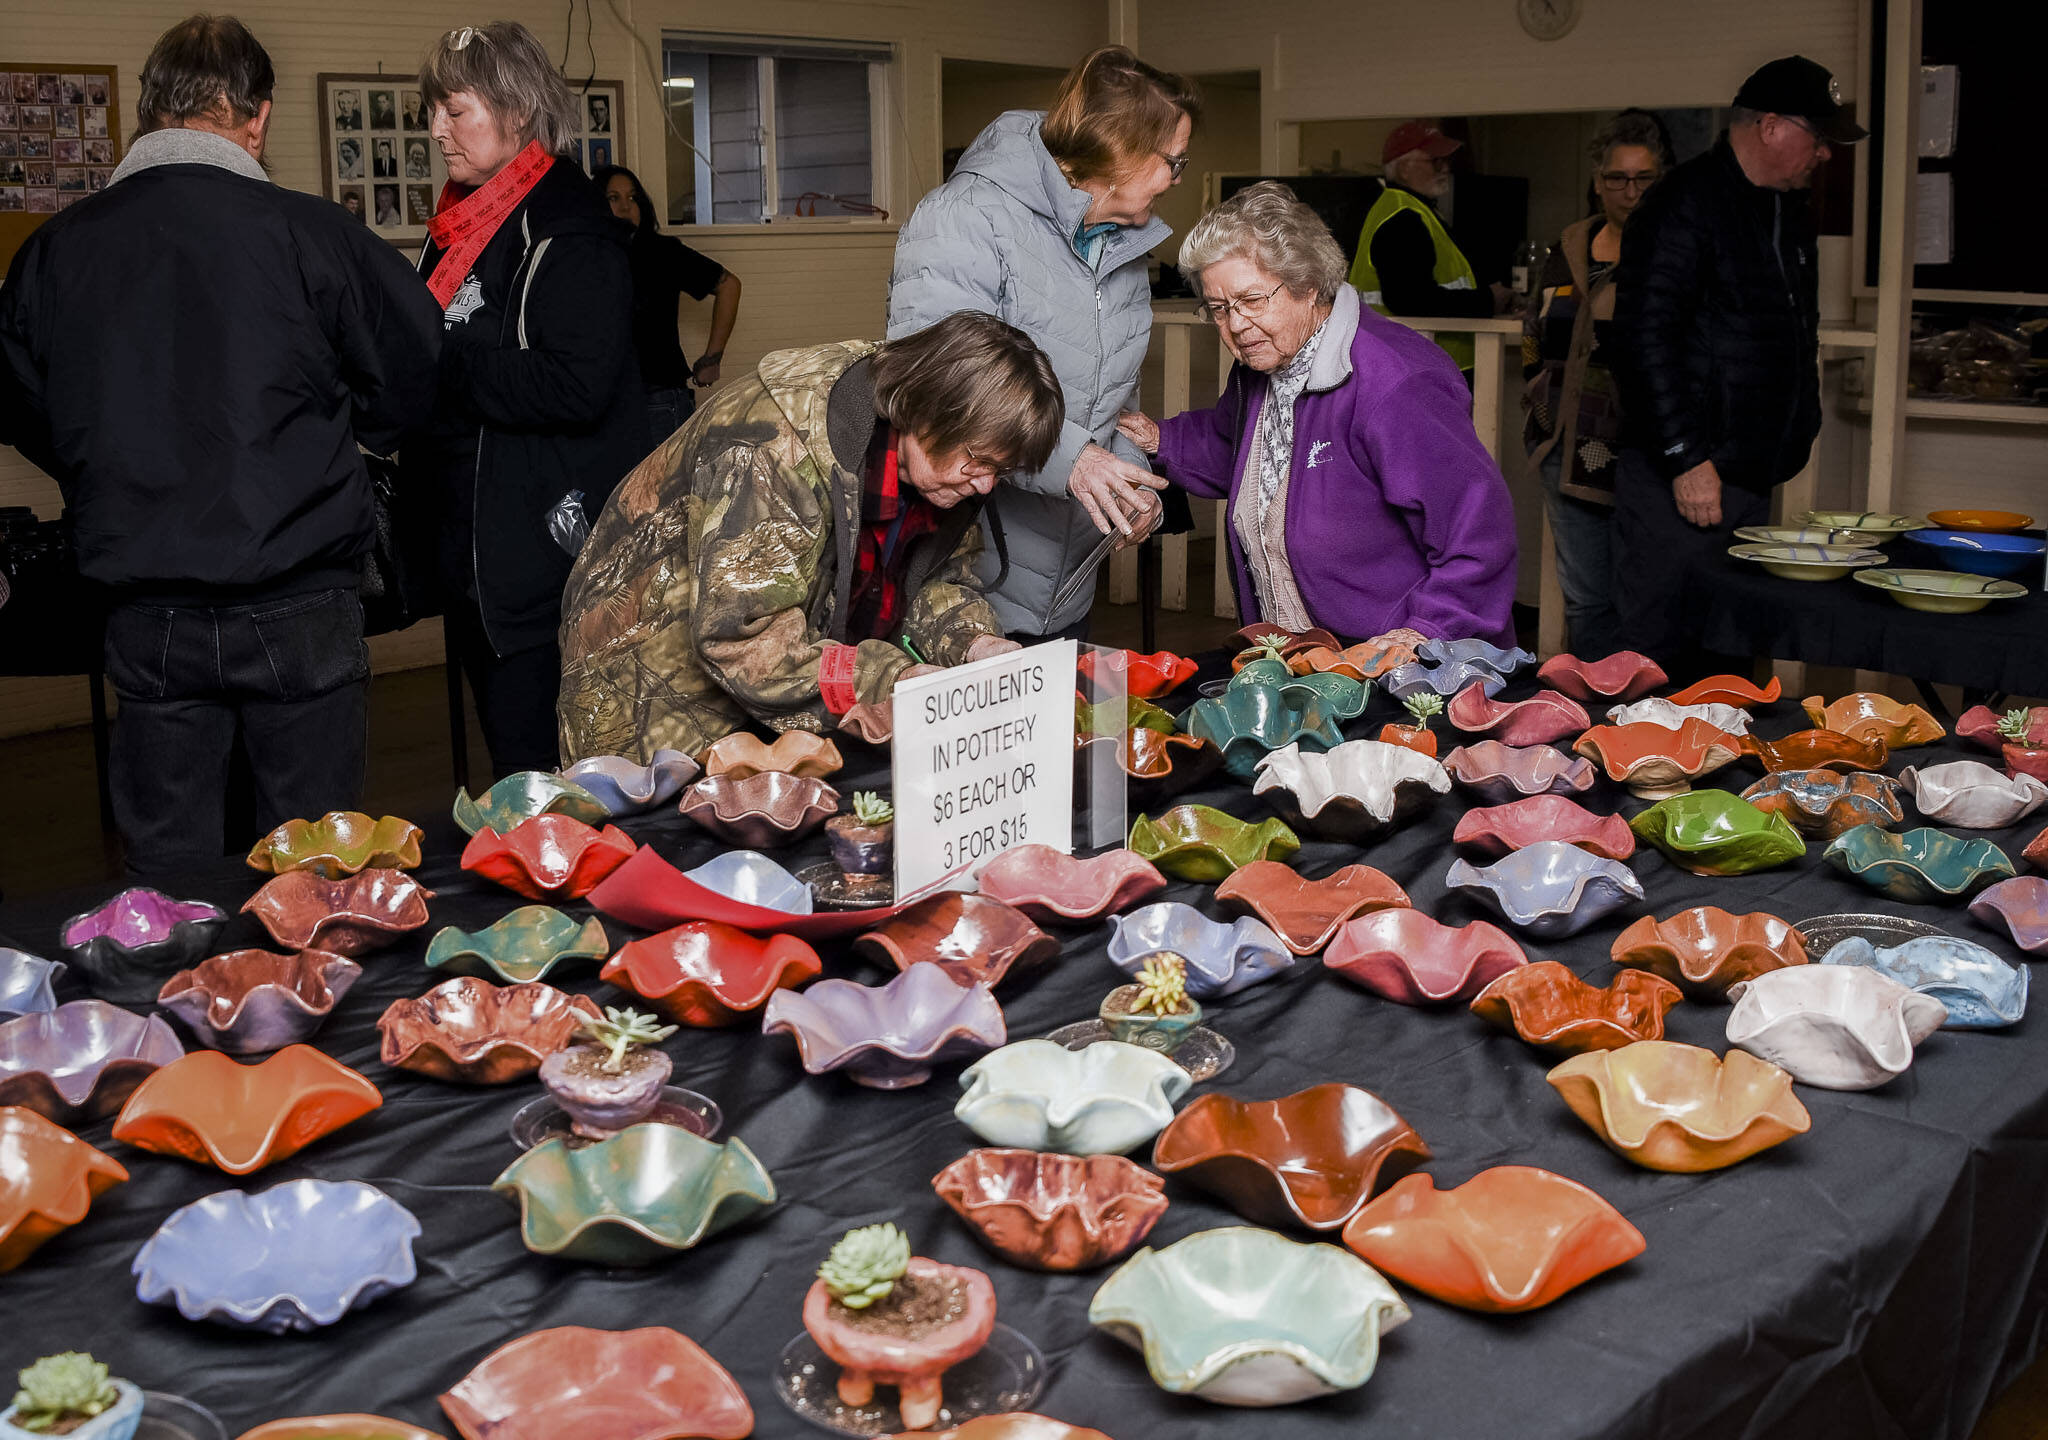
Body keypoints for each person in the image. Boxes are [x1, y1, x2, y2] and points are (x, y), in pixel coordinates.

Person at [0, 15, 442, 874]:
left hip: (146, 603)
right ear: (257, 118)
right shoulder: (312, 234)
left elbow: (20, 400)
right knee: (315, 874)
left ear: (148, 111)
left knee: (169, 878)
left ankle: (177, 1007)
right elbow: (417, 366)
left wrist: (107, 460)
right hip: (302, 595)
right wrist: (340, 435)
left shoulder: (57, 251)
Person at [557, 311, 1062, 761]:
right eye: (979, 461)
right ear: (925, 410)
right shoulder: (777, 445)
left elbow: (937, 578)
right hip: (652, 692)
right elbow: (744, 636)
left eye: (1004, 470)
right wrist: (894, 679)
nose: (987, 484)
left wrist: (975, 642)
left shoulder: (945, 455)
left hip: (782, 692)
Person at [1118, 182, 1516, 647]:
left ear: (1309, 285)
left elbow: (1478, 538)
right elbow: (1236, 448)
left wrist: (1420, 635)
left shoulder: (1397, 383)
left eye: (1251, 301)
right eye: (1219, 309)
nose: (1236, 325)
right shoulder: (1262, 366)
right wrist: (1155, 438)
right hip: (1302, 663)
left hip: (1398, 673)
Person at [887, 45, 1197, 642]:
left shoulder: (1123, 250)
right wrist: (1075, 461)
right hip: (964, 582)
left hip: (1067, 582)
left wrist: (1128, 481)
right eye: (1173, 162)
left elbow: (1112, 406)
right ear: (1121, 147)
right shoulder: (964, 219)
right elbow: (939, 395)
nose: (1177, 179)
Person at [405, 20, 644, 775]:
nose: (436, 129)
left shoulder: (567, 226)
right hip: (476, 562)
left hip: (541, 567)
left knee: (549, 776)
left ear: (518, 109)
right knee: (515, 772)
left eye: (456, 110)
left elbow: (575, 384)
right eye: (434, 109)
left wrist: (433, 362)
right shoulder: (461, 222)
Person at [1610, 56, 1866, 666]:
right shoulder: (1683, 205)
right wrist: (1685, 457)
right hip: (1686, 480)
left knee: (1733, 655)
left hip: (1750, 478)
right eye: (1820, 137)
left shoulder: (1788, 210)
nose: (1826, 153)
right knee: (1663, 656)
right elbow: (1643, 340)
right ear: (1771, 126)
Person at [1521, 109, 1670, 659]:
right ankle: (1595, 709)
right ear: (1597, 181)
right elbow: (1534, 329)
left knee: (1644, 593)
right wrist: (1538, 404)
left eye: (1643, 179)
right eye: (1616, 179)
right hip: (1565, 444)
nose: (1629, 192)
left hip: (1643, 448)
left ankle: (1647, 712)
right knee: (1585, 595)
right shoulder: (1570, 246)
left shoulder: (1674, 249)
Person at [1348, 119, 1514, 375]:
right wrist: (1488, 301)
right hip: (1417, 367)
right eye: (1435, 161)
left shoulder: (1409, 210)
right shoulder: (1402, 218)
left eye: (1446, 161)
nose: (1445, 168)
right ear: (1404, 169)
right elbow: (1412, 298)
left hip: (1416, 364)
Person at [594, 165, 742, 447]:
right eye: (613, 198)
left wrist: (712, 359)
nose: (626, 206)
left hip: (659, 399)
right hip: (605, 402)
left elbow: (729, 286)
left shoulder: (661, 252)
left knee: (665, 490)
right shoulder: (583, 256)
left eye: (633, 197)